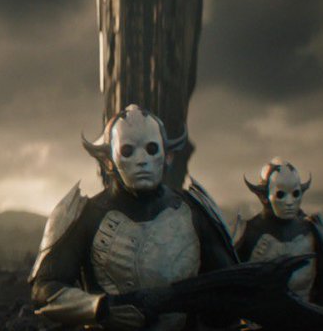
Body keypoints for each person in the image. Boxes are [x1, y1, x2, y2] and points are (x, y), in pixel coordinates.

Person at [30, 105, 240, 331]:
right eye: (128, 151)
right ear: (108, 160)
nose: (142, 160)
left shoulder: (196, 211)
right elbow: (44, 289)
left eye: (151, 149)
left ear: (167, 156)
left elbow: (232, 287)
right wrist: (99, 309)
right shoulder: (84, 215)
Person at [235, 158, 323, 303]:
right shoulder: (246, 232)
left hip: (306, 315)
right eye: (281, 194)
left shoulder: (314, 230)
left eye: (295, 194)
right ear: (264, 196)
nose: (289, 202)